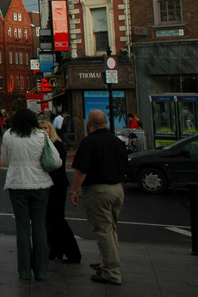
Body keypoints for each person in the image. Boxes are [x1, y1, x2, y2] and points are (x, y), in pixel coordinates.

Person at [70, 109, 128, 285]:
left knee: (103, 231)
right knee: (111, 229)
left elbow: (81, 170)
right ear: (107, 123)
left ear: (89, 124)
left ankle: (112, 271)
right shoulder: (117, 142)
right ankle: (105, 262)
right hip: (117, 189)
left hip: (99, 190)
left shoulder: (90, 142)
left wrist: (74, 191)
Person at [2, 108, 60, 281]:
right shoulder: (42, 136)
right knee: (39, 227)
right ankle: (41, 270)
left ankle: (25, 270)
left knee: (22, 228)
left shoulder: (8, 136)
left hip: (17, 183)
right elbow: (55, 160)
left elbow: (5, 160)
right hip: (39, 183)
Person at [39, 119, 80, 264]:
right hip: (47, 185)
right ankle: (56, 249)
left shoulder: (57, 145)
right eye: (41, 128)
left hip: (56, 185)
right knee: (49, 219)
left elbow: (58, 167)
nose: (44, 130)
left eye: (46, 128)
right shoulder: (42, 145)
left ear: (51, 130)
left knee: (57, 218)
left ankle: (72, 252)